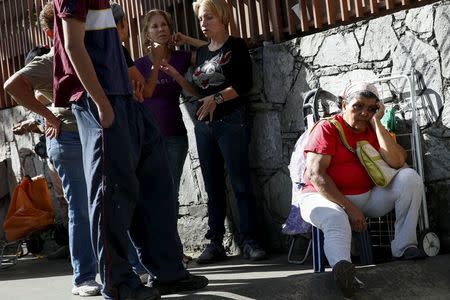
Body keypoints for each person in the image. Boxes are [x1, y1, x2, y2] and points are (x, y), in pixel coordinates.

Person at [53, 1, 208, 299]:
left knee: (156, 186)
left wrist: (126, 67)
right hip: (102, 98)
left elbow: (101, 40)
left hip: (125, 96)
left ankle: (167, 272)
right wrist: (100, 102)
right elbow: (73, 45)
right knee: (112, 192)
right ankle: (119, 283)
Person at [3, 2, 101, 296]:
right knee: (81, 209)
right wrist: (49, 117)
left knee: (107, 201)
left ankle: (127, 266)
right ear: (51, 32)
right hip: (68, 138)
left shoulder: (90, 51)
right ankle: (83, 277)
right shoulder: (48, 61)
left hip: (96, 135)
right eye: (64, 24)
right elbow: (12, 84)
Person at [297, 81, 424, 298]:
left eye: (371, 108)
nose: (364, 112)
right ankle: (343, 270)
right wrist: (349, 208)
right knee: (335, 218)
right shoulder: (327, 128)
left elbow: (397, 161)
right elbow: (317, 175)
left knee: (410, 178)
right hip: (322, 198)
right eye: (358, 106)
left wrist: (377, 123)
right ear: (344, 104)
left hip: (366, 198)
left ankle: (404, 247)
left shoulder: (372, 128)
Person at [183, 0, 267, 263]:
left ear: (222, 17)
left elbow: (245, 84)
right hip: (204, 126)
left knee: (241, 183)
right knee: (213, 187)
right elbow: (200, 89)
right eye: (200, 19)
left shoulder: (236, 46)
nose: (203, 23)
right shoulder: (203, 53)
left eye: (208, 18)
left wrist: (216, 99)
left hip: (231, 121)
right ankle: (215, 242)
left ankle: (251, 241)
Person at [133, 9, 206, 267]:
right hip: (147, 140)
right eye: (154, 26)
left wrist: (186, 38)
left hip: (175, 136)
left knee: (170, 195)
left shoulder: (182, 58)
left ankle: (173, 252)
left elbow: (212, 50)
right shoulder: (138, 65)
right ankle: (157, 253)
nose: (161, 29)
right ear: (146, 33)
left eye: (164, 25)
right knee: (151, 197)